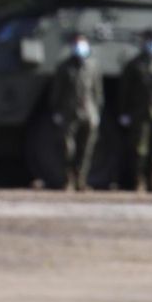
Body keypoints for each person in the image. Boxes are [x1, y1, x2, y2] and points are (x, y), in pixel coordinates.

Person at [118, 28, 152, 192]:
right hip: (140, 112)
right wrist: (124, 112)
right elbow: (125, 90)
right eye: (149, 41)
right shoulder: (134, 65)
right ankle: (138, 181)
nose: (151, 44)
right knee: (139, 149)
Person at [46, 31, 102, 191]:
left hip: (89, 112)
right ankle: (67, 179)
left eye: (82, 43)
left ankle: (81, 180)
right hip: (68, 111)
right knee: (66, 147)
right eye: (76, 43)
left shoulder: (92, 66)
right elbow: (57, 91)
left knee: (86, 149)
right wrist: (56, 110)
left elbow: (97, 91)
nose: (79, 47)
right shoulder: (65, 67)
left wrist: (97, 111)